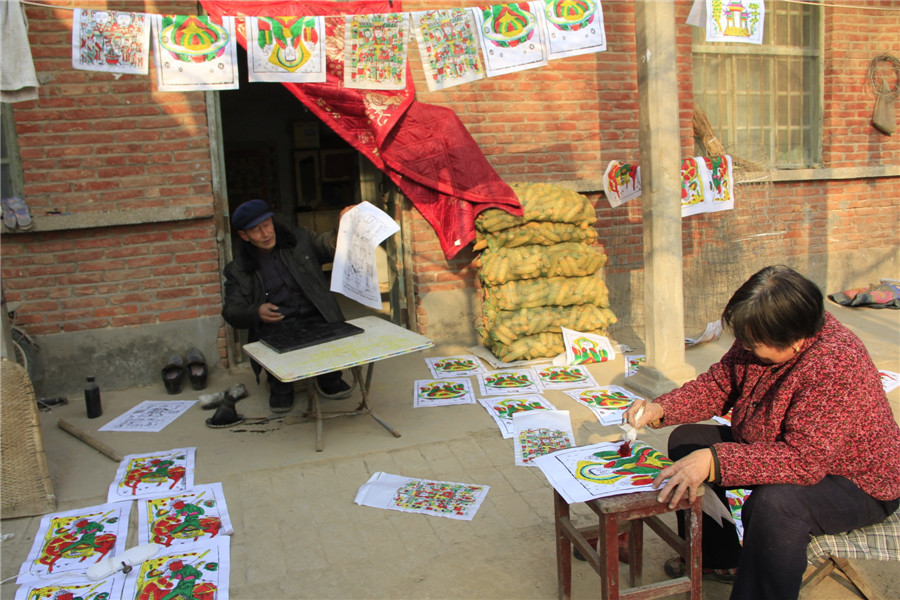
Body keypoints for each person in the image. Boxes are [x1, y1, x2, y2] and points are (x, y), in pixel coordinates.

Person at [623, 265, 900, 600]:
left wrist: (714, 461)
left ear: (795, 340)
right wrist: (662, 409)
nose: (746, 348)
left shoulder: (835, 363)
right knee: (687, 441)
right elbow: (719, 384)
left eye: (754, 344)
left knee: (776, 506)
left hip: (854, 479)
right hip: (780, 445)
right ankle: (720, 560)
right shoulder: (764, 333)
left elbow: (804, 460)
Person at [222, 199, 354, 412]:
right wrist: (256, 312)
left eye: (267, 225)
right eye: (256, 231)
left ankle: (329, 377)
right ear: (244, 236)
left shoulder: (299, 241)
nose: (265, 234)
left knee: (328, 335)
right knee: (277, 352)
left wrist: (342, 225)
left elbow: (330, 246)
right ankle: (281, 386)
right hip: (278, 324)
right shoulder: (237, 270)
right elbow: (231, 310)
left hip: (314, 315)